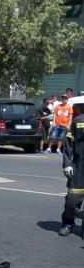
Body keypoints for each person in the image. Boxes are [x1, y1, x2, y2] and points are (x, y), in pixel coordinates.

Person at [59, 96, 84, 237]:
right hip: (79, 166)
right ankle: (68, 223)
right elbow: (68, 144)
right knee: (73, 199)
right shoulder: (78, 121)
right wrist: (67, 164)